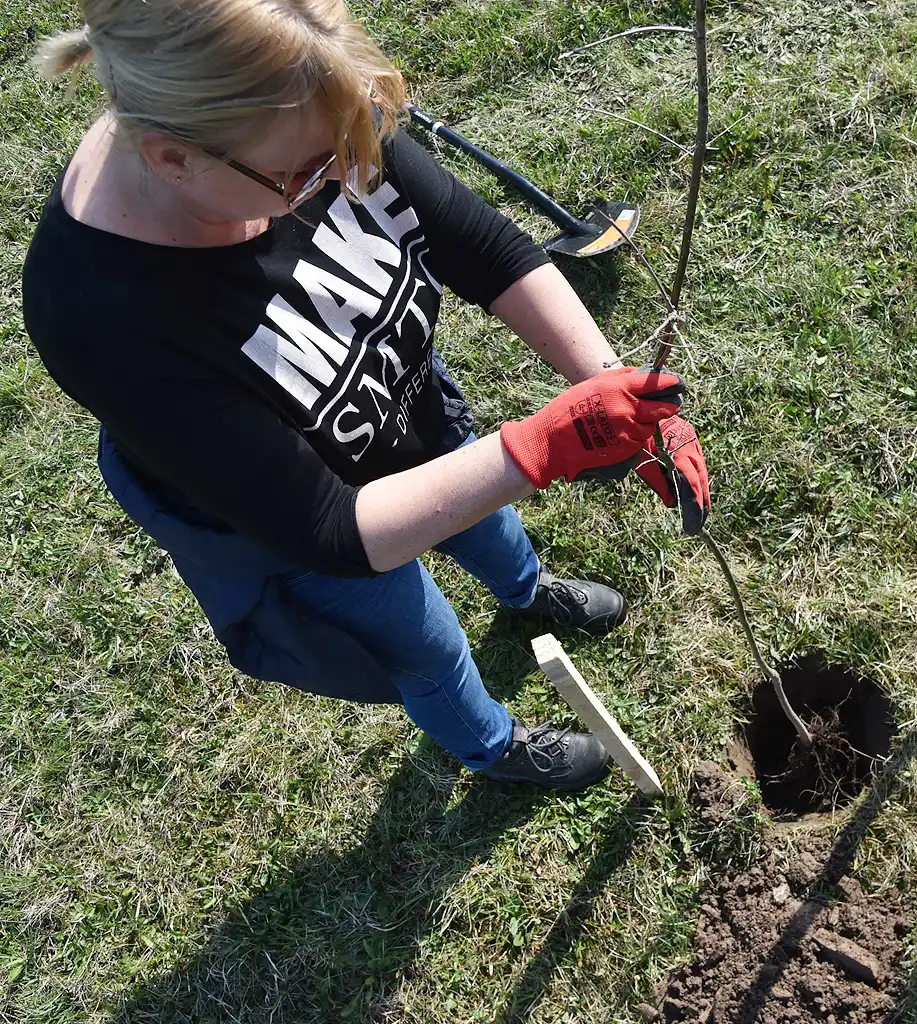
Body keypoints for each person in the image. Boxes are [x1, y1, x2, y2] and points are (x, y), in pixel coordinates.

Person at [23, 0, 709, 792]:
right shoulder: (99, 318)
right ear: (173, 159)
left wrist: (607, 385)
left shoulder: (296, 114)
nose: (343, 174)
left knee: (489, 524)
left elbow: (482, 247)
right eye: (308, 172)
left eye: (352, 142)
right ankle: (492, 746)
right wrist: (535, 449)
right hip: (312, 535)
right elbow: (329, 531)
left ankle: (526, 591)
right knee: (426, 645)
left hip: (405, 415)